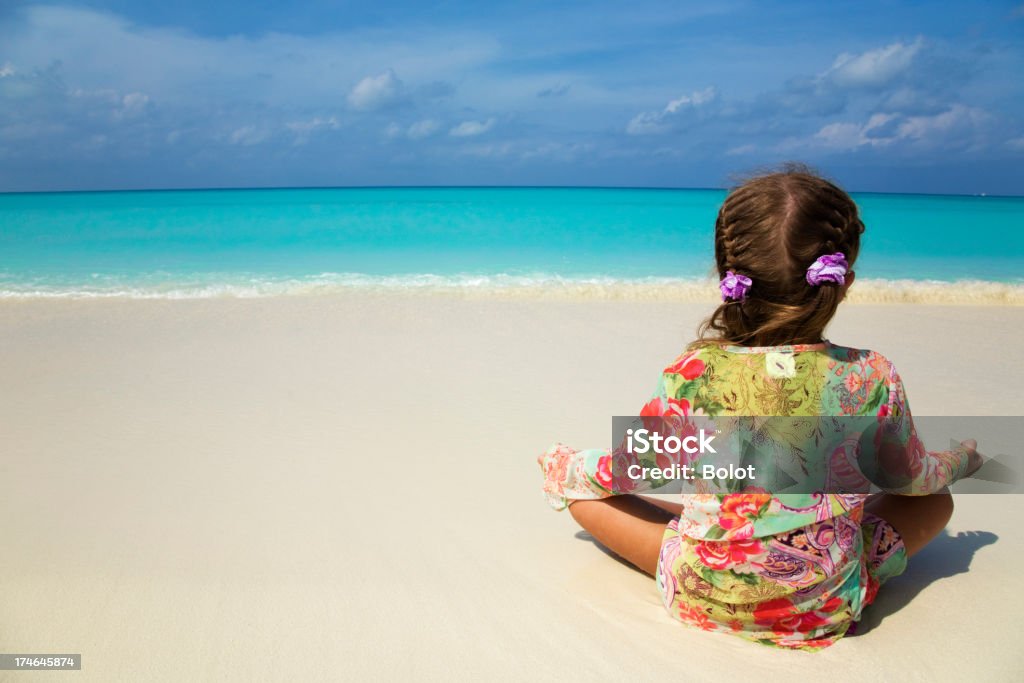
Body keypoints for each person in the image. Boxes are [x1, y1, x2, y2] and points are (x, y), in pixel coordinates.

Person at [537, 166, 983, 650]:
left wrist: (568, 465)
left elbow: (635, 469)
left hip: (699, 597)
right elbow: (911, 479)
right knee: (937, 500)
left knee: (583, 495)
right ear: (843, 280)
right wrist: (960, 461)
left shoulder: (692, 372)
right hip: (825, 609)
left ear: (728, 277)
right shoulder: (870, 375)